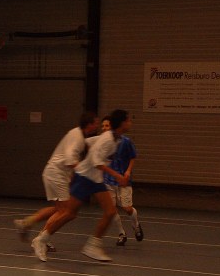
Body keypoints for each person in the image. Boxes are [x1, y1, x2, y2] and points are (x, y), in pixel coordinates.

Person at [30, 109, 132, 262]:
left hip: (95, 179)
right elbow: (97, 163)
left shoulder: (115, 138)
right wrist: (118, 176)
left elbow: (89, 143)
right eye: (128, 120)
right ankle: (41, 239)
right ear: (122, 123)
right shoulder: (108, 140)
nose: (130, 123)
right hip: (85, 177)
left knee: (110, 212)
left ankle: (93, 246)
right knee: (68, 213)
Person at [14, 112, 99, 251]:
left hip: (56, 174)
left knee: (59, 209)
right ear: (89, 124)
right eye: (96, 123)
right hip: (56, 174)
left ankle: (27, 223)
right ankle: (41, 239)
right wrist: (86, 172)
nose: (97, 126)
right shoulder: (77, 137)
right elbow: (70, 160)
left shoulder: (78, 135)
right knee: (67, 211)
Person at [102, 115, 143, 246]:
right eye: (103, 126)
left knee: (127, 208)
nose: (104, 128)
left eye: (107, 126)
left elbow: (133, 156)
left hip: (123, 180)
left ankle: (136, 225)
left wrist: (128, 171)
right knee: (111, 209)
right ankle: (121, 234)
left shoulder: (125, 141)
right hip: (108, 180)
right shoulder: (102, 142)